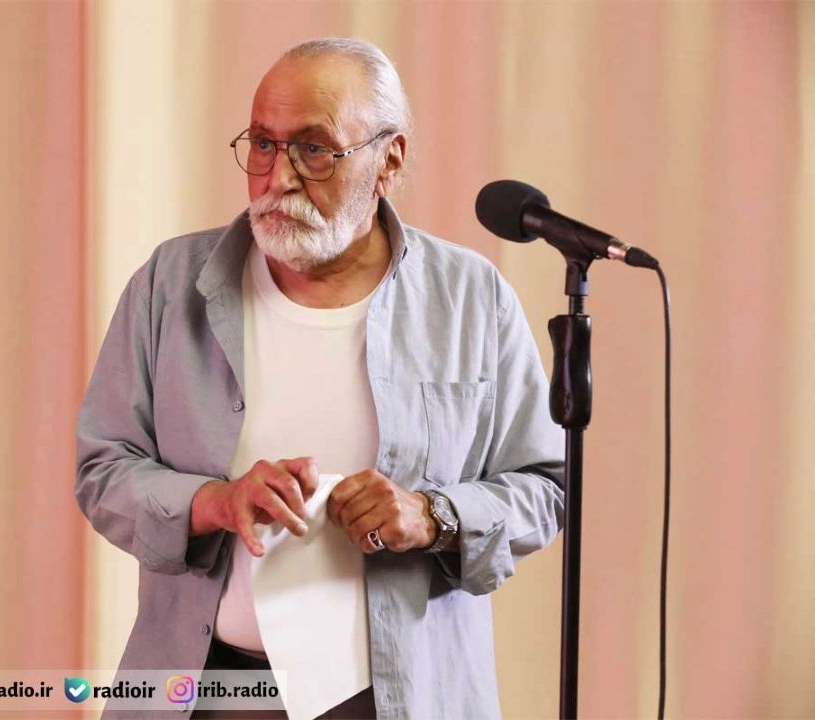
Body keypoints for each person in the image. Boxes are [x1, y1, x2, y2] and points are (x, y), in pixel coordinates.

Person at [76, 37, 565, 720]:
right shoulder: (169, 284)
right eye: (263, 144)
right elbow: (103, 468)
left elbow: (546, 487)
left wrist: (432, 516)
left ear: (389, 159)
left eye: (314, 149)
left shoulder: (470, 299)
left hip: (400, 698)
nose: (278, 176)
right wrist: (215, 502)